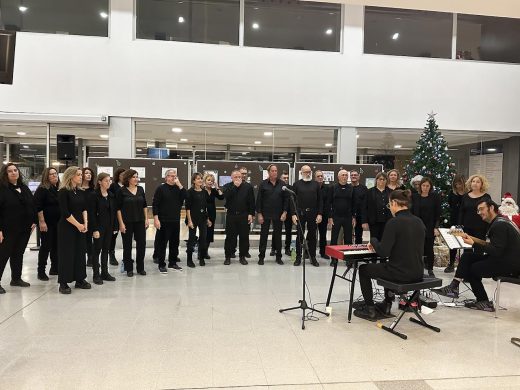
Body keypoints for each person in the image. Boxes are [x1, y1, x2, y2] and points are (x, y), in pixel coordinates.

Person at [433, 199, 520, 311]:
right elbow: (491, 246)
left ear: (492, 208)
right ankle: (453, 287)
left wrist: (473, 243)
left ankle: (483, 301)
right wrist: (470, 238)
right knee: (467, 256)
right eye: (478, 210)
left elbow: (496, 251)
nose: (479, 213)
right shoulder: (500, 221)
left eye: (481, 209)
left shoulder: (499, 226)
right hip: (504, 258)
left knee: (474, 269)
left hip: (509, 264)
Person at [354, 190, 425, 322]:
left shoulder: (394, 222)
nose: (390, 209)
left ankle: (370, 310)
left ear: (393, 203)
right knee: (387, 266)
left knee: (364, 269)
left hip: (400, 274)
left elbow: (383, 252)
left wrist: (374, 241)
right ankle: (386, 305)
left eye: (389, 205)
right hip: (417, 272)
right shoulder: (419, 221)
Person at [0, 163, 37, 294]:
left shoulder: (24, 188)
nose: (13, 172)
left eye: (15, 170)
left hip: (24, 229)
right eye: (10, 171)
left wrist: (34, 221)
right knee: (3, 255)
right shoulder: (2, 189)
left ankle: (16, 279)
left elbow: (32, 205)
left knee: (18, 254)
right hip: (7, 229)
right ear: (5, 174)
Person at [57, 166, 91, 294]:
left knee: (80, 253)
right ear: (71, 176)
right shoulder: (63, 191)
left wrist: (85, 224)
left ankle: (80, 279)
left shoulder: (81, 192)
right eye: (78, 174)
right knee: (67, 254)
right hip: (67, 227)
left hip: (80, 227)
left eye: (81, 174)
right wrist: (78, 225)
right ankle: (63, 283)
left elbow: (84, 208)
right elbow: (65, 213)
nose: (81, 176)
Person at [152, 169, 185, 273]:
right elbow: (155, 204)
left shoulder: (178, 188)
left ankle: (173, 262)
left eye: (174, 176)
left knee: (175, 243)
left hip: (175, 220)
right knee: (162, 243)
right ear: (166, 177)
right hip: (163, 220)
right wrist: (156, 219)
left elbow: (186, 197)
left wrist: (179, 185)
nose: (173, 178)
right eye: (170, 176)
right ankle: (161, 264)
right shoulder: (161, 188)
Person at [117, 169, 148, 277]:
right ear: (128, 178)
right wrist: (121, 223)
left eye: (137, 176)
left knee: (141, 244)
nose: (136, 179)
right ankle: (128, 268)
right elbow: (118, 209)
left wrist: (147, 219)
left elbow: (144, 205)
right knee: (127, 246)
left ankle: (140, 268)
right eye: (134, 177)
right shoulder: (122, 191)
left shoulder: (140, 189)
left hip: (140, 221)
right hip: (127, 222)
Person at [256, 164, 288, 265]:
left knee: (278, 236)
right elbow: (259, 200)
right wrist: (259, 214)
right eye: (273, 171)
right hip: (265, 214)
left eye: (276, 171)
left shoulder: (282, 184)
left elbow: (286, 200)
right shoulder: (263, 184)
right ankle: (261, 257)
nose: (275, 172)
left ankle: (278, 257)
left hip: (278, 214)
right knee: (263, 236)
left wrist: (285, 212)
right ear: (269, 172)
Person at [292, 165, 322, 267]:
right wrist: (293, 214)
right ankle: (298, 257)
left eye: (309, 171)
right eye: (305, 172)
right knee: (300, 235)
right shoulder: (296, 184)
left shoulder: (316, 184)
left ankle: (312, 257)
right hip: (300, 213)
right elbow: (292, 201)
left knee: (313, 236)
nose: (308, 173)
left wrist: (319, 214)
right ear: (301, 173)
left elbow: (320, 201)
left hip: (313, 213)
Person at [89, 173, 117, 284]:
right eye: (106, 181)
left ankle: (105, 273)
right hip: (98, 227)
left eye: (109, 180)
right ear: (100, 182)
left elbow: (113, 212)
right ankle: (96, 274)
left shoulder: (111, 195)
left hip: (109, 227)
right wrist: (94, 229)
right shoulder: (94, 195)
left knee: (106, 250)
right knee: (97, 251)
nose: (108, 183)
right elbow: (91, 214)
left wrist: (115, 226)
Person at [222, 169, 255, 265]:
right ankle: (228, 257)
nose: (238, 179)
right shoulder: (227, 186)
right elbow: (226, 196)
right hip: (231, 215)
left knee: (244, 237)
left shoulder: (248, 187)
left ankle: (242, 256)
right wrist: (234, 187)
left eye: (239, 177)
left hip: (244, 215)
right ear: (231, 178)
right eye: (235, 177)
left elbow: (251, 202)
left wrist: (251, 214)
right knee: (230, 237)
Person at [34, 167, 60, 281]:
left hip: (57, 223)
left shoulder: (58, 188)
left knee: (56, 246)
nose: (54, 176)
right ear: (46, 176)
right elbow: (38, 207)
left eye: (55, 173)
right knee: (46, 246)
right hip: (47, 223)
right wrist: (42, 221)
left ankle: (54, 268)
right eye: (51, 174)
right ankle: (41, 271)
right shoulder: (42, 189)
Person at [412, 177, 441, 277]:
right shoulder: (415, 197)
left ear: (430, 187)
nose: (425, 187)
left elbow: (438, 214)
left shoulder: (435, 197)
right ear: (420, 186)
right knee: (417, 248)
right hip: (417, 226)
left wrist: (436, 227)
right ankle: (417, 268)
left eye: (427, 186)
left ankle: (430, 269)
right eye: (423, 185)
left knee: (429, 249)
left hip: (430, 226)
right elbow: (411, 212)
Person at [328, 169, 356, 266]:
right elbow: (329, 203)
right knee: (334, 238)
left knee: (348, 239)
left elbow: (353, 203)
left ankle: (348, 259)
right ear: (338, 177)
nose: (344, 176)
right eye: (342, 175)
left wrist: (353, 217)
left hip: (348, 217)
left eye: (346, 175)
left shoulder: (351, 188)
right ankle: (334, 259)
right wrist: (330, 217)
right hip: (336, 217)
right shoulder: (333, 187)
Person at [186, 173, 212, 268]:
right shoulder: (190, 192)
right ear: (193, 181)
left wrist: (208, 219)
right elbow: (187, 208)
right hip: (193, 218)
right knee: (192, 239)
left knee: (203, 239)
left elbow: (204, 207)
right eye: (198, 179)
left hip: (202, 218)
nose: (200, 180)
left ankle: (201, 258)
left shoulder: (204, 192)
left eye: (201, 179)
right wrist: (189, 221)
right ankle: (189, 259)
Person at [458, 174, 491, 245]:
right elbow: (461, 212)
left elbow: (489, 213)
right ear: (470, 183)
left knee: (479, 249)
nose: (475, 183)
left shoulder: (486, 197)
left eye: (478, 182)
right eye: (473, 181)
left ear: (482, 184)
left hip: (481, 228)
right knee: (467, 249)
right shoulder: (465, 196)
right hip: (467, 227)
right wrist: (460, 226)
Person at [444, 174, 466, 273]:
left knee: (466, 243)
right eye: (456, 184)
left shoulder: (467, 194)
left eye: (460, 184)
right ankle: (451, 264)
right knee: (453, 243)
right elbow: (450, 204)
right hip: (454, 220)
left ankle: (464, 265)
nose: (458, 186)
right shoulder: (452, 193)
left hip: (465, 220)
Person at [363, 172, 392, 242]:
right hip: (374, 221)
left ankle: (384, 253)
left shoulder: (391, 192)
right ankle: (374, 253)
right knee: (374, 241)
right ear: (376, 180)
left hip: (387, 221)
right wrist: (364, 221)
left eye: (384, 179)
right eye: (380, 179)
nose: (382, 181)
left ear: (386, 181)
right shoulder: (369, 192)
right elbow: (364, 207)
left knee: (386, 240)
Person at [203, 172, 224, 259]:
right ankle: (201, 252)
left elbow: (222, 197)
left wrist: (217, 187)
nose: (210, 182)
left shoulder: (213, 191)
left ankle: (205, 252)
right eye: (208, 180)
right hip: (203, 214)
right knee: (203, 234)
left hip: (212, 214)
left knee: (209, 234)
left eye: (212, 181)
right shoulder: (201, 190)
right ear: (205, 181)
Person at [108, 167, 126, 267]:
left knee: (126, 236)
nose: (123, 177)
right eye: (121, 175)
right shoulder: (113, 186)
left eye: (125, 175)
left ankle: (126, 256)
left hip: (126, 214)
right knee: (113, 236)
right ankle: (111, 255)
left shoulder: (128, 186)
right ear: (118, 176)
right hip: (115, 214)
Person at [315, 170, 331, 260]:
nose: (320, 177)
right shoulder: (312, 187)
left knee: (323, 234)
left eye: (321, 176)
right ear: (315, 178)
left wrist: (328, 216)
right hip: (313, 214)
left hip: (324, 215)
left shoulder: (327, 189)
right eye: (318, 176)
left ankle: (323, 252)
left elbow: (328, 203)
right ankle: (308, 251)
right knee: (311, 234)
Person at [81, 167, 95, 267]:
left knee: (90, 238)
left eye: (90, 173)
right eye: (86, 173)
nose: (88, 175)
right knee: (82, 239)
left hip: (92, 217)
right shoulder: (78, 189)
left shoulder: (94, 189)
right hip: (79, 217)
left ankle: (90, 258)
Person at [351, 169, 368, 245]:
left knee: (358, 236)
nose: (353, 176)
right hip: (349, 216)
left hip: (360, 216)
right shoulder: (347, 188)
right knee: (348, 236)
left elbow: (366, 204)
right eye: (352, 175)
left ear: (359, 176)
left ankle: (357, 252)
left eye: (355, 175)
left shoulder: (364, 189)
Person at [280, 171, 293, 257]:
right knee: (277, 231)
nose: (286, 179)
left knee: (289, 231)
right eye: (284, 178)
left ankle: (287, 248)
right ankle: (274, 248)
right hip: (278, 212)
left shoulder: (291, 188)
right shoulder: (277, 187)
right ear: (281, 179)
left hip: (289, 213)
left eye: (287, 178)